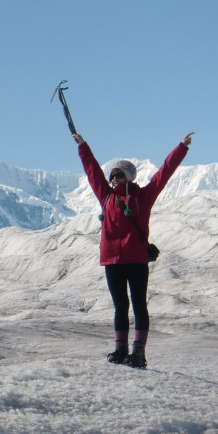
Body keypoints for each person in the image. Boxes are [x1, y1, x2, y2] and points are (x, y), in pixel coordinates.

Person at [72, 131, 193, 369]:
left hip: (136, 259)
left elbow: (164, 173)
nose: (114, 177)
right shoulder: (105, 196)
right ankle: (120, 350)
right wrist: (83, 146)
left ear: (129, 176)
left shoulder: (143, 197)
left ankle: (139, 353)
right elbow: (92, 171)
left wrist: (181, 147)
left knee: (138, 305)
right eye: (113, 174)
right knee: (120, 306)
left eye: (119, 174)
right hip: (112, 260)